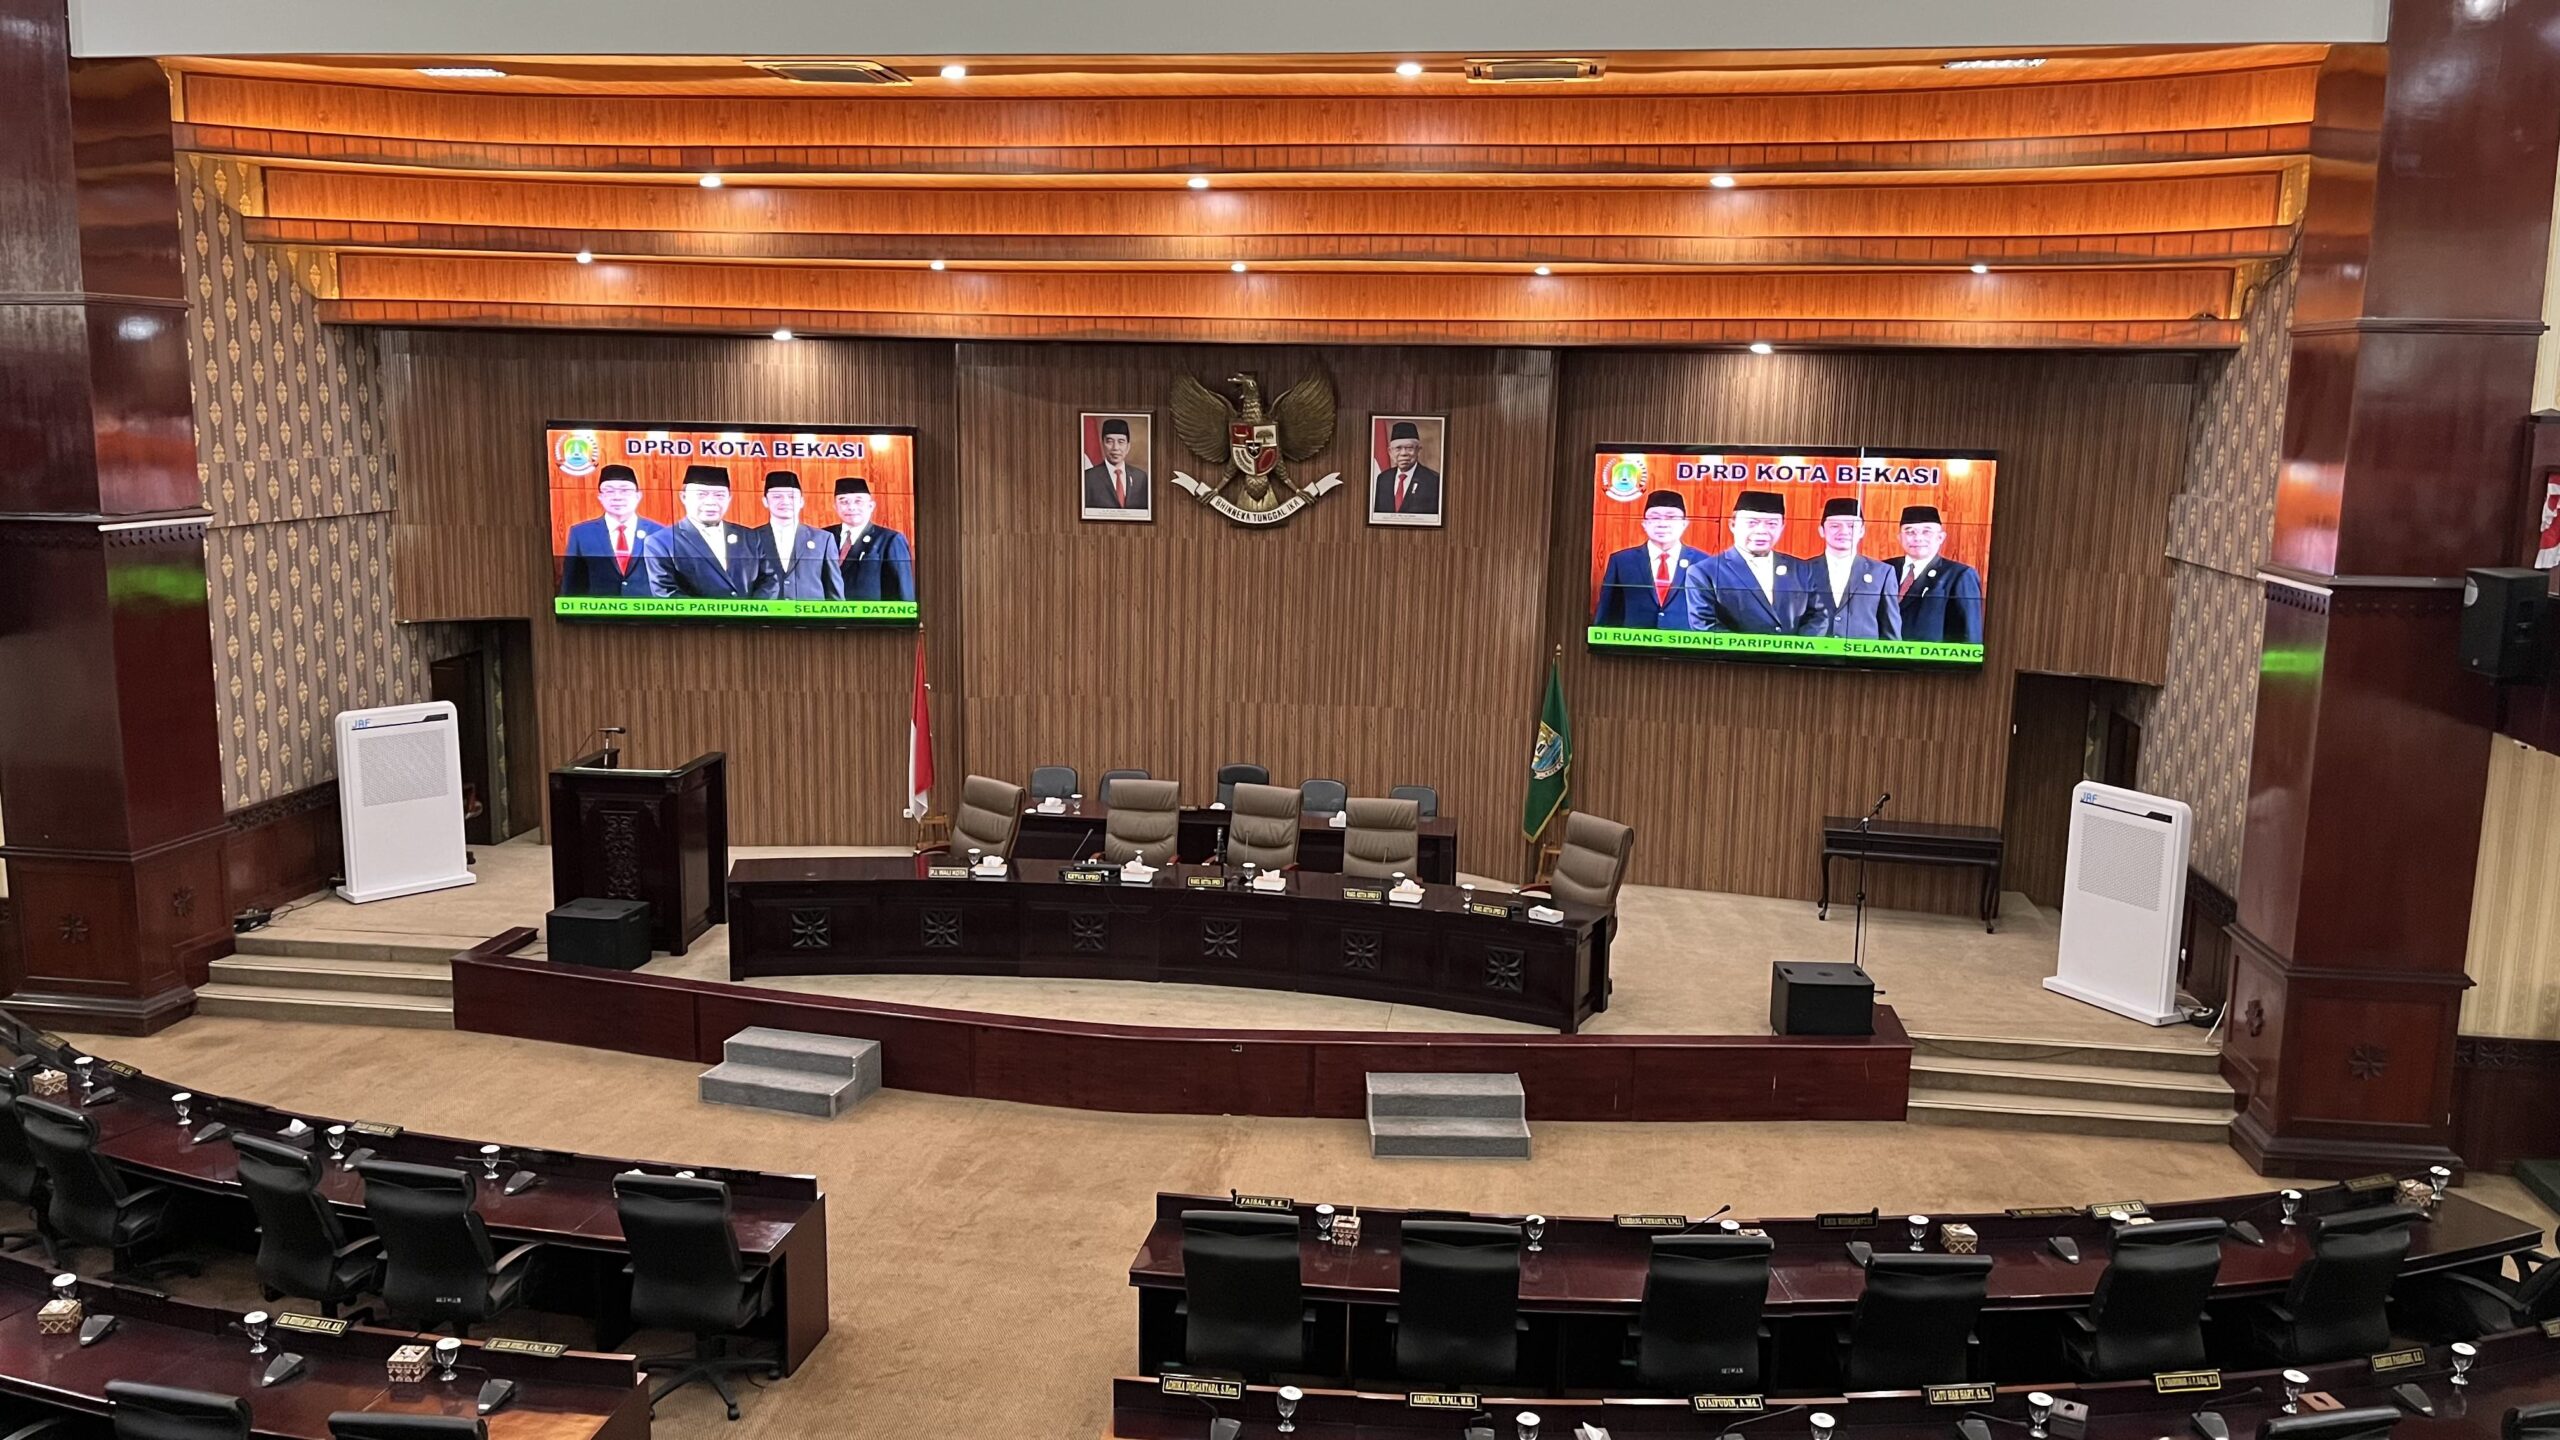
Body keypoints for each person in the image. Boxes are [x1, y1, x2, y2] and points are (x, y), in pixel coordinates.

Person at [1680, 489, 1814, 635]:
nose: (1761, 531)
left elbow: (1817, 616)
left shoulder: (1803, 569)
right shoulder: (1704, 572)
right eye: (1752, 523)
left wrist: (1798, 647)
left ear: (1782, 527)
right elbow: (1706, 626)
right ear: (1732, 524)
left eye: (1771, 524)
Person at [638, 464, 777, 600]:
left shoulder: (752, 537)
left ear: (729, 498)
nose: (711, 502)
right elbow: (666, 592)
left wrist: (751, 611)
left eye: (719, 495)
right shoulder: (661, 542)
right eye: (701, 495)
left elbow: (770, 581)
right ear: (683, 497)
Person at [1592, 489, 1710, 629]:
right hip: (1634, 641)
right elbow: (1607, 613)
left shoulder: (1704, 563)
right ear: (1644, 524)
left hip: (1685, 642)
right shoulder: (1621, 561)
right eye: (1654, 517)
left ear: (1684, 523)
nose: (1662, 524)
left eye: (1671, 517)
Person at [1801, 497, 1902, 640]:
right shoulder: (1802, 570)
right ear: (1821, 530)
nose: (1844, 531)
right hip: (1813, 652)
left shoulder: (1882, 573)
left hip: (1862, 653)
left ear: (1862, 531)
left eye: (1851, 526)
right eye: (1835, 526)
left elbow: (1890, 631)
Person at [558, 463, 663, 597]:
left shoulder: (659, 533)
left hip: (647, 609)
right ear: (600, 497)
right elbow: (571, 584)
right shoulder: (581, 533)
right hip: (598, 609)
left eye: (625, 490)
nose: (617, 497)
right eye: (609, 491)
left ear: (638, 496)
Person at [1892, 504, 1985, 644]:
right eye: (1910, 532)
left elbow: (1970, 634)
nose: (1918, 538)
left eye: (1926, 532)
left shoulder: (1960, 575)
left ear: (1941, 537)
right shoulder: (1884, 569)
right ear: (1899, 537)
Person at [751, 470, 843, 600]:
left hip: (810, 612)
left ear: (801, 501)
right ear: (765, 501)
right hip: (766, 612)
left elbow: (834, 592)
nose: (785, 501)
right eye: (777, 496)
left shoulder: (823, 539)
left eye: (791, 496)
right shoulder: (751, 538)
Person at [826, 476, 915, 602]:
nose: (851, 507)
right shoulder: (823, 536)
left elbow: (903, 591)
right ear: (835, 506)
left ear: (871, 506)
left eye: (858, 501)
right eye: (844, 502)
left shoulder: (890, 540)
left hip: (870, 614)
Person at [1370, 420, 1441, 518]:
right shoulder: (1383, 479)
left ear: (1418, 450)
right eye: (1398, 448)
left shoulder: (1433, 480)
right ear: (1390, 452)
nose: (1403, 453)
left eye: (1409, 448)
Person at [1082, 417, 1149, 512]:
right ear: (1102, 444)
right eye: (1110, 441)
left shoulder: (1140, 478)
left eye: (1121, 442)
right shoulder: (1088, 478)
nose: (1115, 448)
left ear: (1128, 446)